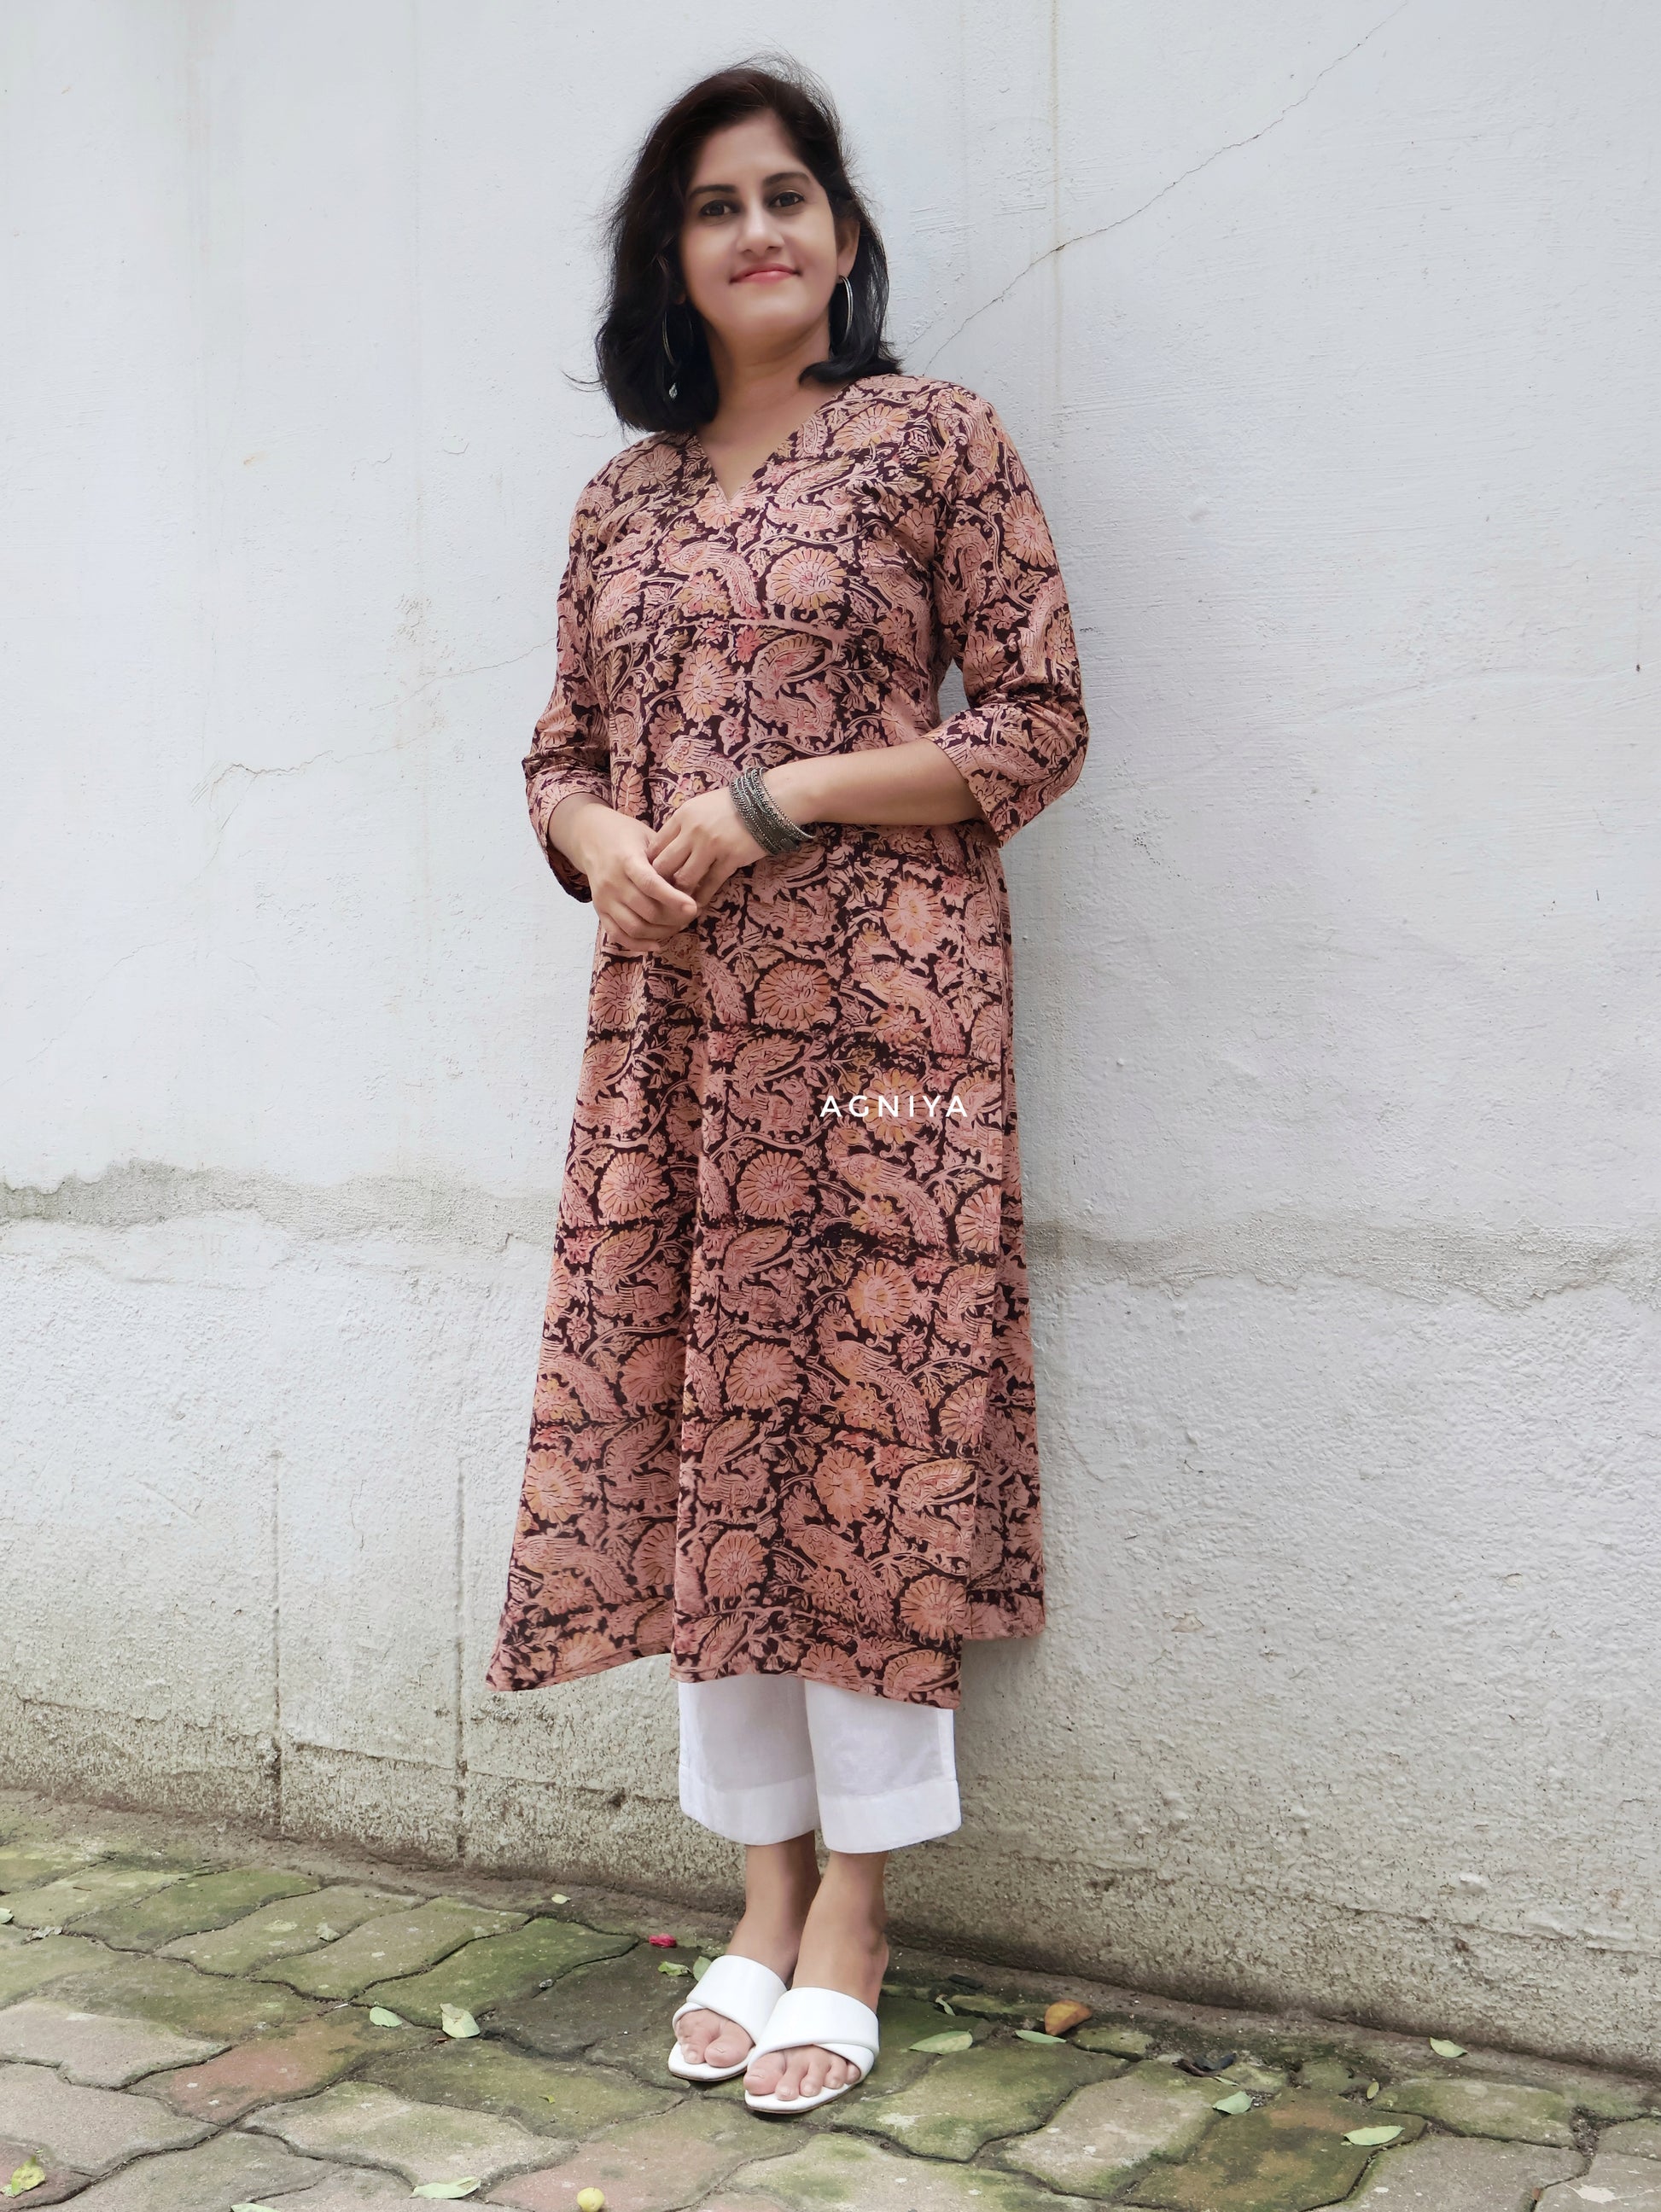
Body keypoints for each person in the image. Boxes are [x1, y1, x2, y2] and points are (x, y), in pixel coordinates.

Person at [485, 55, 1090, 2115]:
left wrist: (776, 795)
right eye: (716, 205)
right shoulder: (621, 499)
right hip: (673, 1042)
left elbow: (1032, 725)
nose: (760, 230)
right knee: (703, 1417)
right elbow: (553, 752)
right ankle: (758, 1886)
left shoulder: (933, 441)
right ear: (670, 258)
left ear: (841, 231)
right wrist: (601, 841)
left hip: (889, 1037)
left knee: (874, 1417)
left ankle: (858, 1914)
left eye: (790, 194)